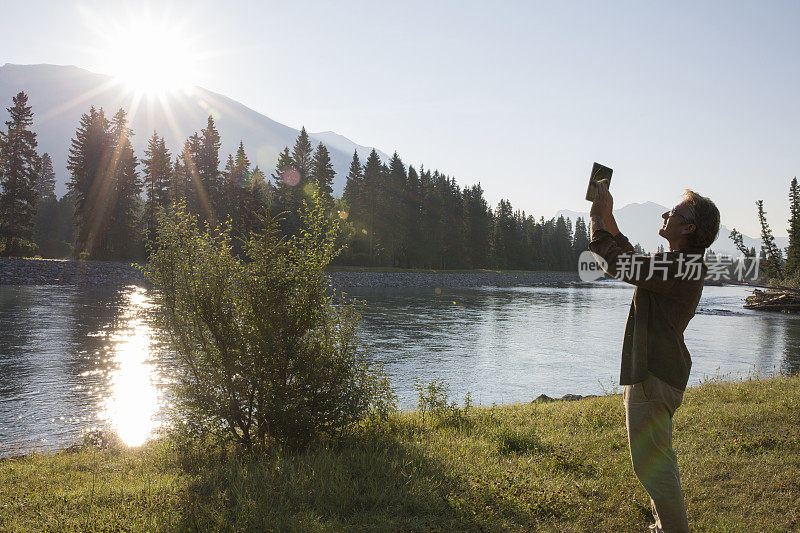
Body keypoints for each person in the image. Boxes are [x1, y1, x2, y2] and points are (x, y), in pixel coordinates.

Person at [588, 182, 720, 533]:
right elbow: (633, 260)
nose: (666, 214)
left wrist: (596, 222)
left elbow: (619, 264)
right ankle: (665, 526)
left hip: (654, 374)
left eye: (673, 212)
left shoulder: (679, 266)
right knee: (656, 460)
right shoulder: (681, 263)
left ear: (688, 228)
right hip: (661, 372)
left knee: (653, 464)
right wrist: (610, 218)